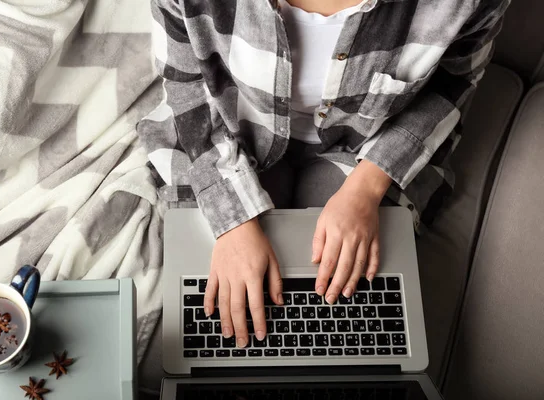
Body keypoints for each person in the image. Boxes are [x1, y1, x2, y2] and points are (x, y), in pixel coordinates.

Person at [140, 0, 509, 349]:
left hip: (372, 143)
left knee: (342, 312)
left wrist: (366, 188)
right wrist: (233, 221)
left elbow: (454, 82)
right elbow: (186, 83)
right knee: (227, 308)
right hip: (233, 127)